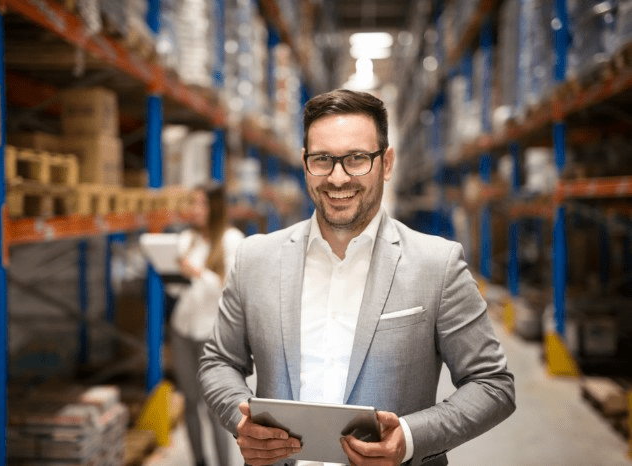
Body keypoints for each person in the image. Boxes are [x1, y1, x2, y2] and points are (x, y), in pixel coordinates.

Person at [198, 89, 515, 466]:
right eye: (322, 160)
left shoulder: (437, 264)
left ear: (387, 163)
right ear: (304, 163)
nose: (337, 177)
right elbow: (219, 361)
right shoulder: (256, 259)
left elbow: (492, 384)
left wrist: (410, 438)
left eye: (357, 159)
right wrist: (241, 422)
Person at [167, 182, 245, 466]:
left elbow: (230, 291)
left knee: (215, 407)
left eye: (201, 203)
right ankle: (199, 460)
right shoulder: (186, 239)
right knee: (189, 401)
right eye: (192, 203)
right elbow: (177, 292)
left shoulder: (231, 240)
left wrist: (197, 272)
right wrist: (172, 275)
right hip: (182, 328)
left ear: (215, 206)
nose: (195, 210)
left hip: (211, 334)